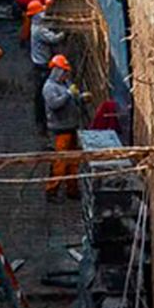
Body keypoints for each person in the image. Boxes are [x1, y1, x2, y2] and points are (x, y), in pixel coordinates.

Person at [43, 54, 88, 201]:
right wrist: (69, 94)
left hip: (71, 127)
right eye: (64, 71)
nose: (66, 74)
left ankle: (72, 190)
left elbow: (73, 99)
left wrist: (81, 98)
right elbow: (54, 105)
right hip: (59, 130)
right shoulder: (49, 87)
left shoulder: (65, 84)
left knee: (73, 162)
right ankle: (51, 191)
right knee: (60, 163)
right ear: (57, 70)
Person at [30, 13, 64, 127]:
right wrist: (64, 32)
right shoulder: (40, 30)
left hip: (38, 64)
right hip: (42, 65)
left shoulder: (34, 26)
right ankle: (42, 120)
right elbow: (54, 39)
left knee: (39, 92)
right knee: (43, 93)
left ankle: (40, 119)